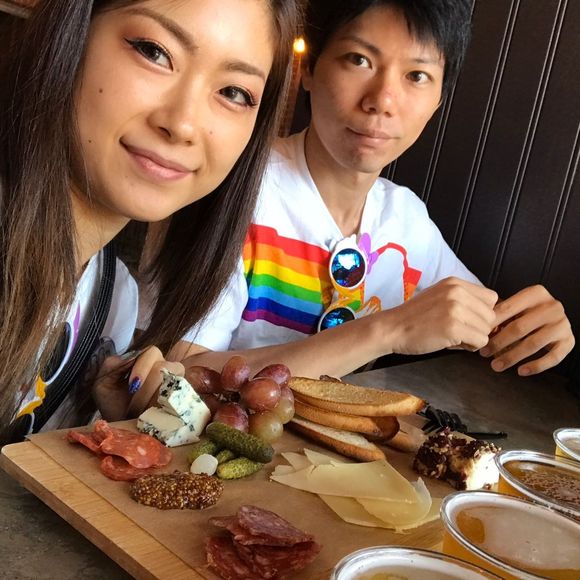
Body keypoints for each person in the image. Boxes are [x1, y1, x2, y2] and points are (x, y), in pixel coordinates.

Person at [169, 0, 575, 379]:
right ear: (308, 68)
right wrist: (386, 330)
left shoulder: (407, 225)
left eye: (417, 76)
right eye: (359, 59)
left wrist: (533, 328)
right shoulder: (236, 191)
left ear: (438, 99)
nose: (382, 100)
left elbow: (484, 323)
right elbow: (180, 374)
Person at [0, 0, 299, 441]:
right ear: (72, 32)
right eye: (154, 51)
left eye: (234, 92)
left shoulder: (113, 302)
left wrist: (110, 427)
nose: (183, 124)